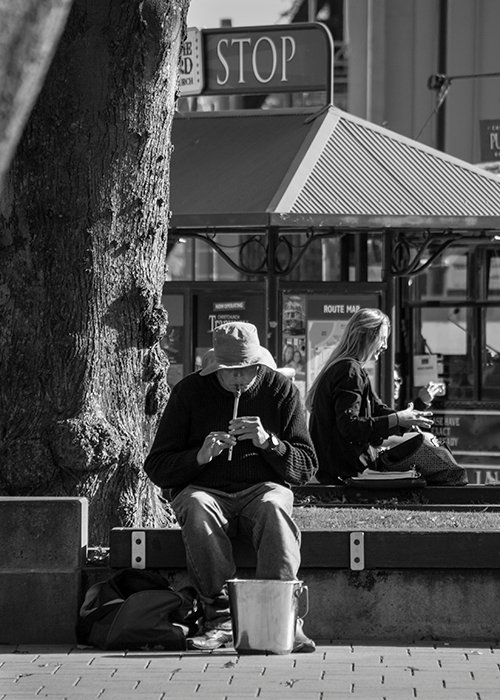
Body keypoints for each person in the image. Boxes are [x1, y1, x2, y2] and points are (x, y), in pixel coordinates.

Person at [144, 321, 318, 652]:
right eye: (230, 371)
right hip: (205, 490)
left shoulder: (280, 390)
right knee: (197, 507)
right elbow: (157, 467)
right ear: (214, 367)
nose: (239, 378)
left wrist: (270, 443)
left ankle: (281, 614)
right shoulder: (190, 392)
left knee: (273, 507)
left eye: (248, 369)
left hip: (263, 488)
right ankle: (220, 617)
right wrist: (199, 456)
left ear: (259, 363)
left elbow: (306, 466)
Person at [305, 308, 434, 484]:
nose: (386, 346)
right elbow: (350, 427)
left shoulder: (350, 369)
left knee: (423, 443)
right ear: (367, 336)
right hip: (345, 473)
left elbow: (378, 410)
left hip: (341, 469)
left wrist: (408, 417)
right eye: (383, 339)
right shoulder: (349, 371)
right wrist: (398, 419)